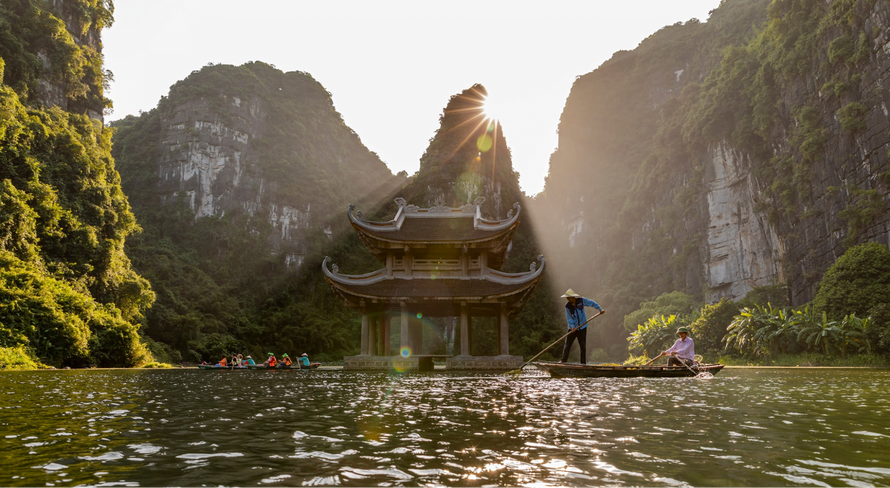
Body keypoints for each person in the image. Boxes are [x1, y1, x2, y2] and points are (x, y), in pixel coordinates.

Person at [559, 289, 605, 364]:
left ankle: (583, 363)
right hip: (572, 328)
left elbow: (591, 303)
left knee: (582, 346)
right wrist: (572, 327)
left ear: (573, 297)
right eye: (567, 298)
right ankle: (563, 361)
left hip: (582, 328)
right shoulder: (567, 306)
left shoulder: (581, 301)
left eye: (569, 297)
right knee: (567, 345)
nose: (567, 299)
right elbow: (569, 318)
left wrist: (600, 309)